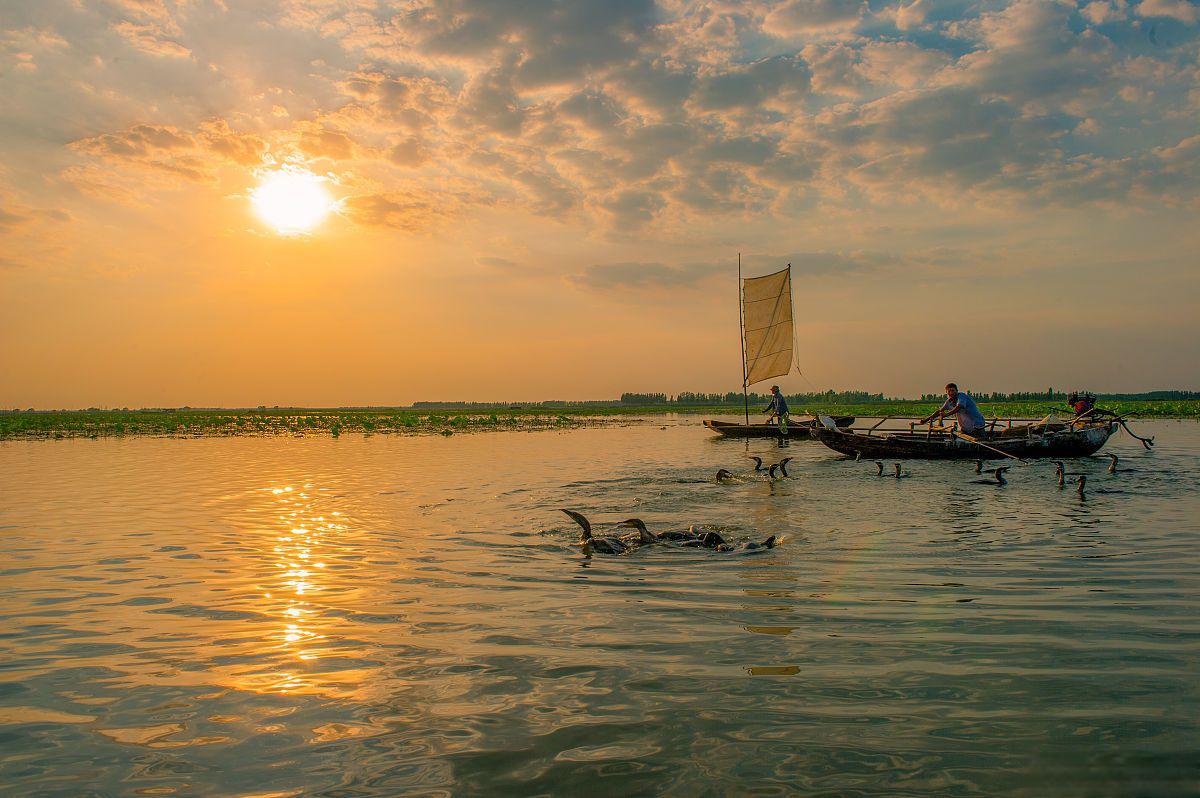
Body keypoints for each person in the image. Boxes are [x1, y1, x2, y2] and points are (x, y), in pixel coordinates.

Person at [921, 383, 987, 436]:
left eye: (953, 390)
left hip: (977, 425)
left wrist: (946, 414)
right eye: (949, 391)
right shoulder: (948, 402)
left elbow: (959, 407)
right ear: (946, 392)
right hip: (965, 428)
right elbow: (939, 411)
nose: (951, 392)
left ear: (957, 391)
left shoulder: (962, 396)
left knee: (979, 441)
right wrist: (925, 420)